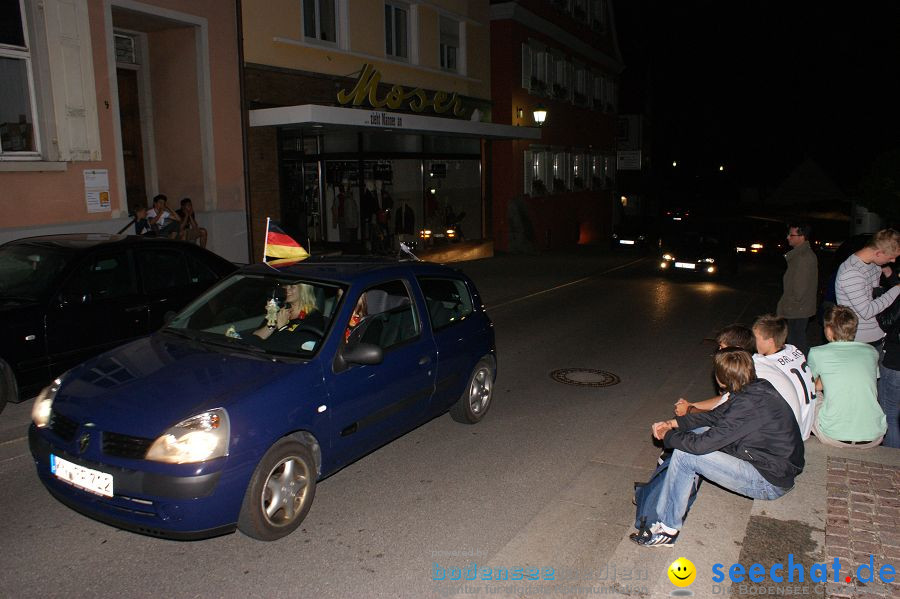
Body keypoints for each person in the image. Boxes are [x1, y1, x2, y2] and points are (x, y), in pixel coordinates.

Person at [632, 347, 804, 547]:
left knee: (686, 454)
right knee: (695, 434)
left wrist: (667, 436)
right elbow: (714, 416)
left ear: (721, 378)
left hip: (769, 481)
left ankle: (667, 528)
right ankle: (677, 493)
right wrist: (674, 424)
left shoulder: (748, 405)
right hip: (767, 461)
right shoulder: (755, 388)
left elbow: (700, 447)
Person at [673, 325, 801, 432]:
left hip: (776, 435)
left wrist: (689, 410)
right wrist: (692, 405)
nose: (718, 351)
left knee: (689, 429)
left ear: (737, 350)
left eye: (722, 348)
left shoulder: (751, 374)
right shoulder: (754, 361)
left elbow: (722, 416)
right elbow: (725, 400)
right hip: (783, 427)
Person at [808, 305, 886, 447]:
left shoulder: (817, 353)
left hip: (832, 435)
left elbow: (809, 386)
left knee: (811, 395)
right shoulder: (871, 352)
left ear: (829, 330)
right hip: (874, 437)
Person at [752, 314, 817, 440]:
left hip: (793, 431)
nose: (752, 341)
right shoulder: (794, 349)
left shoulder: (766, 365)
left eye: (756, 338)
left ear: (770, 341)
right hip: (807, 423)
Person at [835, 228, 900, 347]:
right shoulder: (851, 272)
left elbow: (874, 296)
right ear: (878, 253)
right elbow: (867, 311)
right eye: (891, 257)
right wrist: (897, 288)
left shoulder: (873, 264)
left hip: (877, 335)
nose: (893, 260)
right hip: (860, 341)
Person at [776, 223, 817, 355]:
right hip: (798, 308)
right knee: (796, 341)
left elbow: (800, 289)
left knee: (797, 343)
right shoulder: (801, 254)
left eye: (791, 235)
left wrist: (786, 307)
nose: (788, 237)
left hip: (797, 309)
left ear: (802, 237)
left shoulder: (803, 257)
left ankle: (803, 369)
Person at [252, 283, 324, 351]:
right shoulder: (279, 310)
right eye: (285, 285)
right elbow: (254, 339)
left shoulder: (314, 317)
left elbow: (303, 348)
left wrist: (282, 327)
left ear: (303, 290)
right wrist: (273, 322)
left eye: (292, 286)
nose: (286, 289)